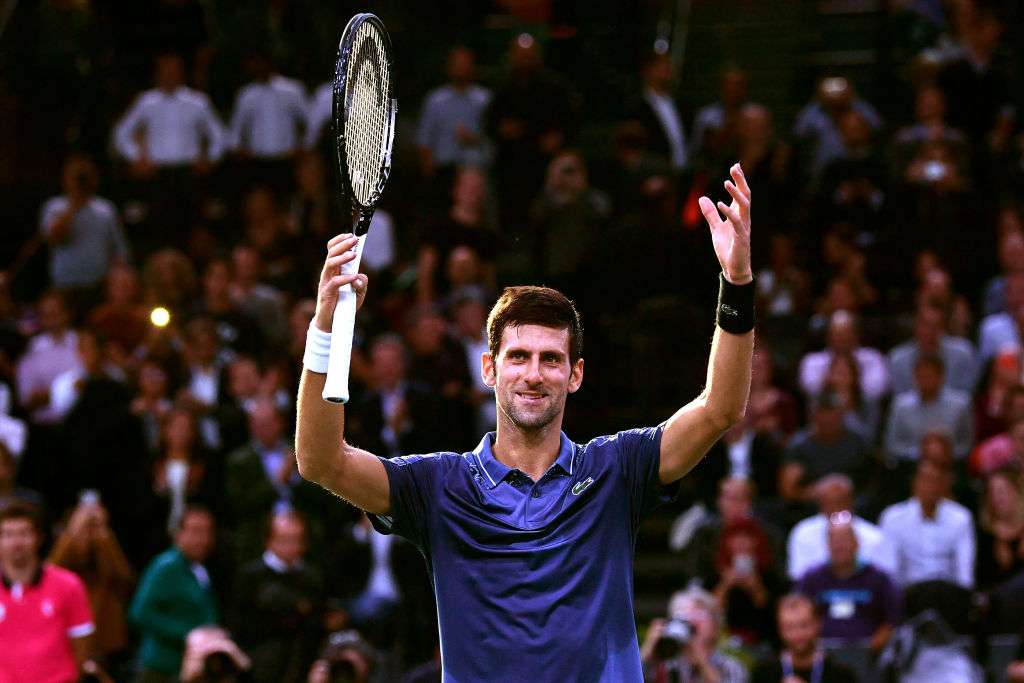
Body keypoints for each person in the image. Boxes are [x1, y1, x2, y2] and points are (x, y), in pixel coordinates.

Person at [295, 165, 755, 680]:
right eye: (518, 357)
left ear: (575, 374)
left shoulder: (616, 470)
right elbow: (319, 460)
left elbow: (721, 408)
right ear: (489, 368)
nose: (534, 374)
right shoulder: (438, 486)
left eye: (551, 359)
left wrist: (736, 284)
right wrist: (323, 329)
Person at [0, 501, 99, 683]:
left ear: (38, 538)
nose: (16, 542)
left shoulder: (68, 585)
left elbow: (82, 645)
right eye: (8, 534)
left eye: (24, 533)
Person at [130, 505, 219, 683]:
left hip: (189, 668)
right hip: (161, 668)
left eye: (207, 532)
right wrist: (189, 634)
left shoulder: (198, 568)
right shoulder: (166, 566)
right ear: (178, 534)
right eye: (195, 531)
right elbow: (140, 613)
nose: (202, 539)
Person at [230, 511, 322, 683]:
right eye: (285, 540)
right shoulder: (250, 576)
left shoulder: (312, 577)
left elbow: (316, 621)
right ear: (269, 541)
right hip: (259, 660)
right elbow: (241, 622)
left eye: (297, 540)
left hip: (301, 660)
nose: (292, 546)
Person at [49, 496, 135, 666]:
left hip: (106, 645)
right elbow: (51, 573)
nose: (88, 533)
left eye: (92, 528)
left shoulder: (106, 551)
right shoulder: (64, 563)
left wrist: (103, 535)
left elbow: (123, 579)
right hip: (65, 642)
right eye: (84, 528)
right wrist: (73, 533)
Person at [795, 513, 900, 650]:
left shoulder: (879, 579)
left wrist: (871, 649)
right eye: (835, 541)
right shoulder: (811, 578)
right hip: (821, 652)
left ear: (857, 543)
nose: (840, 546)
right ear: (827, 545)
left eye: (845, 540)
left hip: (870, 652)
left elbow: (892, 621)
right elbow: (797, 616)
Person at [39, 154, 129, 297]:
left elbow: (118, 250)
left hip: (99, 285)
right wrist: (74, 204)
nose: (81, 182)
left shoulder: (105, 209)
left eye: (84, 177)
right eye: (77, 177)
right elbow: (54, 239)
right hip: (64, 285)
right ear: (65, 178)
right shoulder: (54, 207)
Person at [878, 459, 975, 588]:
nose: (931, 487)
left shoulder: (961, 517)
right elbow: (888, 568)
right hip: (908, 595)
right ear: (914, 483)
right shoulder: (893, 518)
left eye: (936, 481)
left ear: (944, 485)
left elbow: (964, 571)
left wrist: (964, 597)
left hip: (947, 594)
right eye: (925, 480)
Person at [786, 474, 896, 581]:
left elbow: (886, 579)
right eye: (829, 503)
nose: (836, 508)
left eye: (841, 502)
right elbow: (799, 577)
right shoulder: (803, 532)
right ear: (820, 504)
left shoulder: (875, 537)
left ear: (851, 502)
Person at [640, 587, 749, 682]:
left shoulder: (731, 667)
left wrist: (701, 661)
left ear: (716, 625)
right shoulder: (665, 667)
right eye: (683, 616)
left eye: (698, 615)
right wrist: (648, 649)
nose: (691, 622)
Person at [415, 46, 492, 178]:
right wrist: (427, 167)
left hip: (476, 169)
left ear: (473, 67)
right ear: (448, 67)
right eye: (457, 64)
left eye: (465, 64)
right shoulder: (435, 100)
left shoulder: (485, 99)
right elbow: (424, 138)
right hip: (442, 169)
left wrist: (475, 139)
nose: (461, 68)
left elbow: (493, 138)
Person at [883, 354, 973, 463]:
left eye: (930, 376)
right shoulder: (901, 405)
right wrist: (919, 453)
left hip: (951, 464)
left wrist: (944, 453)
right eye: (921, 376)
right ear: (914, 377)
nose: (925, 382)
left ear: (941, 377)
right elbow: (892, 444)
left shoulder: (960, 405)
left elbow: (966, 444)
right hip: (910, 465)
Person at [751, 593, 857, 683]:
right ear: (779, 630)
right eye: (789, 627)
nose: (797, 634)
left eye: (803, 625)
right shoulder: (764, 673)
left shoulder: (841, 674)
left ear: (818, 624)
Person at [888, 303, 977, 396]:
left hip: (953, 408)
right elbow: (900, 398)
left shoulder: (963, 353)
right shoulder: (898, 359)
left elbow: (967, 392)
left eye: (936, 326)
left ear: (943, 328)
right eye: (925, 325)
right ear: (915, 327)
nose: (930, 331)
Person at [974, 467, 1024, 590]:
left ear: (1016, 492)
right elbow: (980, 581)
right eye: (992, 493)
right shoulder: (983, 534)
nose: (997, 498)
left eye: (1002, 491)